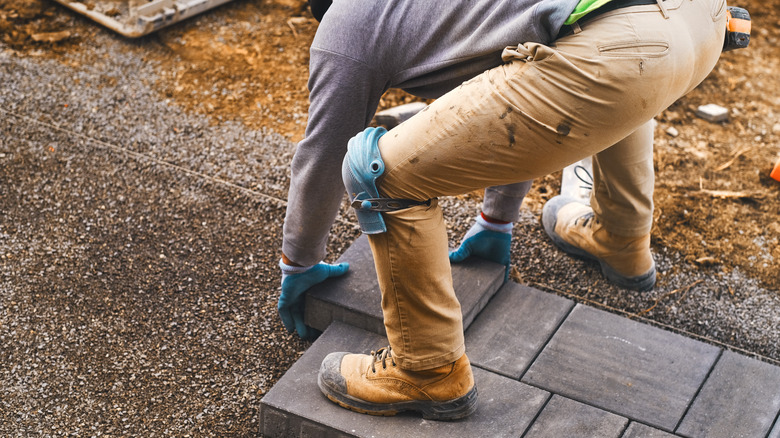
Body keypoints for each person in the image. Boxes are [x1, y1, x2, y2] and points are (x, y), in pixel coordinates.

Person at [316, 0, 727, 421]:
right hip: (700, 20)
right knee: (634, 79)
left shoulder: (352, 22)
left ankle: (426, 369)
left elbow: (515, 71)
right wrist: (497, 220)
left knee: (383, 173)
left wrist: (297, 264)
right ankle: (621, 240)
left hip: (629, 45)